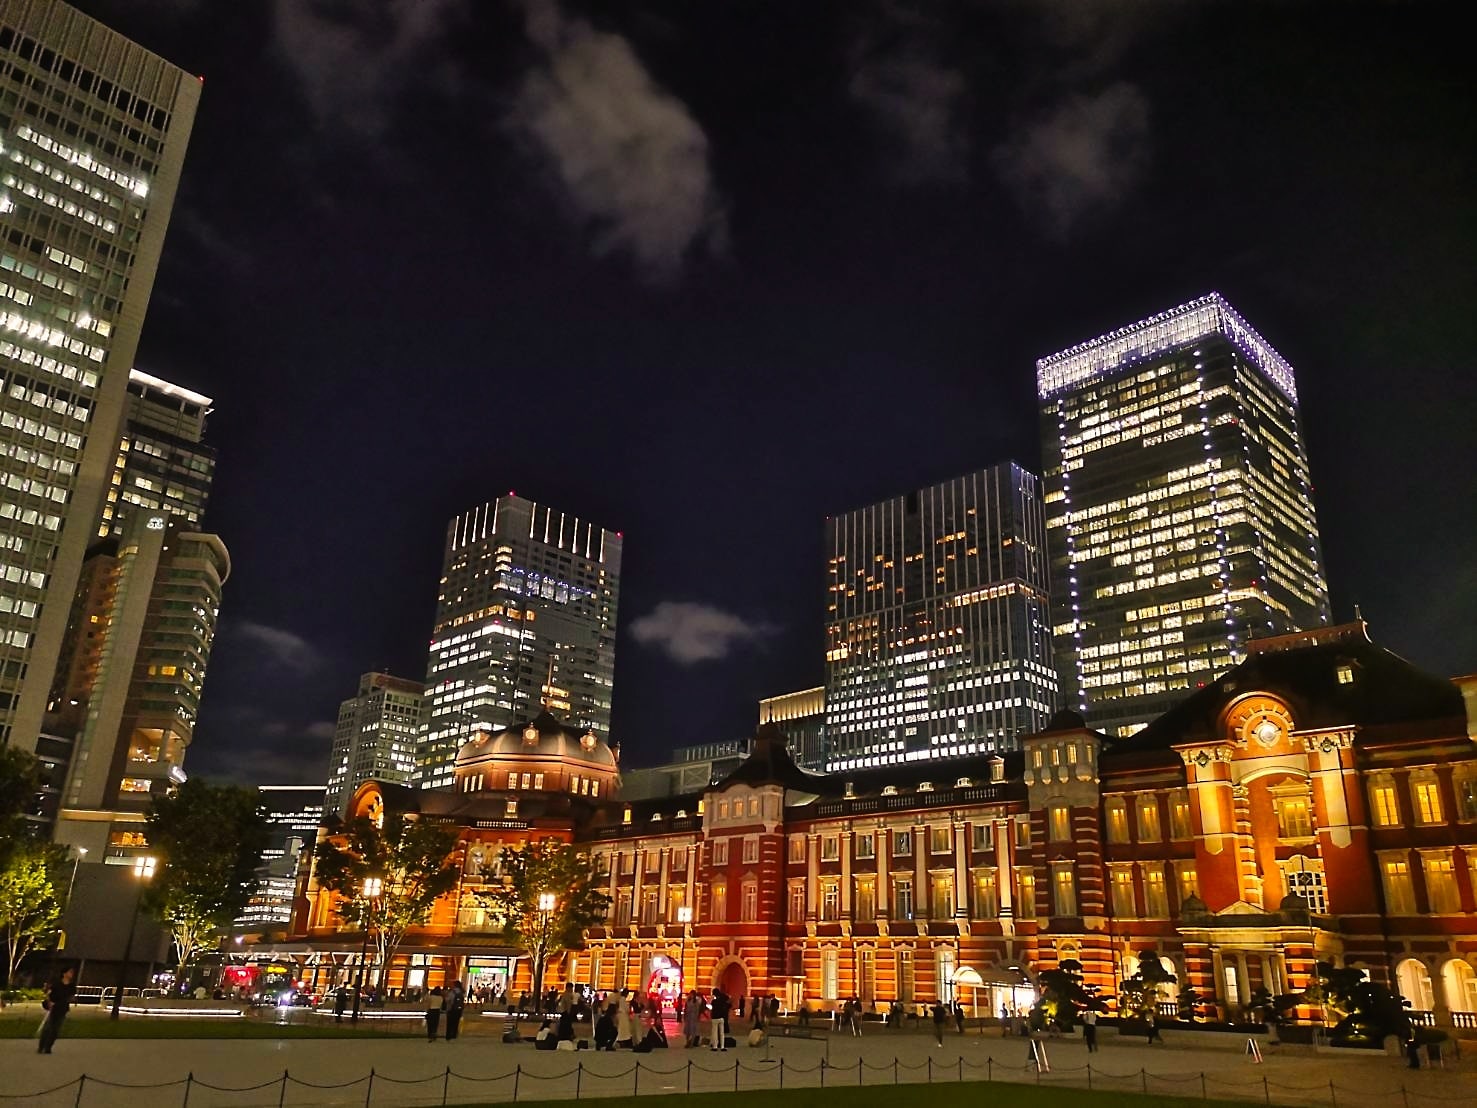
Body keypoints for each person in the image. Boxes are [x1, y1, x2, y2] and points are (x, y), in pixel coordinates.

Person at [37, 967, 76, 1055]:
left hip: (62, 1008)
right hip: (53, 1007)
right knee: (48, 1028)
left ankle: (48, 1047)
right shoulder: (56, 984)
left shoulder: (72, 985)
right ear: (64, 973)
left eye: (72, 972)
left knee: (56, 1029)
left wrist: (71, 999)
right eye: (70, 972)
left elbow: (72, 996)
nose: (71, 974)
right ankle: (41, 1046)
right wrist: (49, 1001)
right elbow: (48, 993)